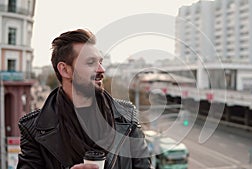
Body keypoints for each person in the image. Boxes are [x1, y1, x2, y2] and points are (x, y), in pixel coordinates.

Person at [17, 29, 152, 169]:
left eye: (100, 62)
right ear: (65, 70)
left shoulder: (127, 116)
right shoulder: (34, 129)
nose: (101, 69)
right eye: (90, 62)